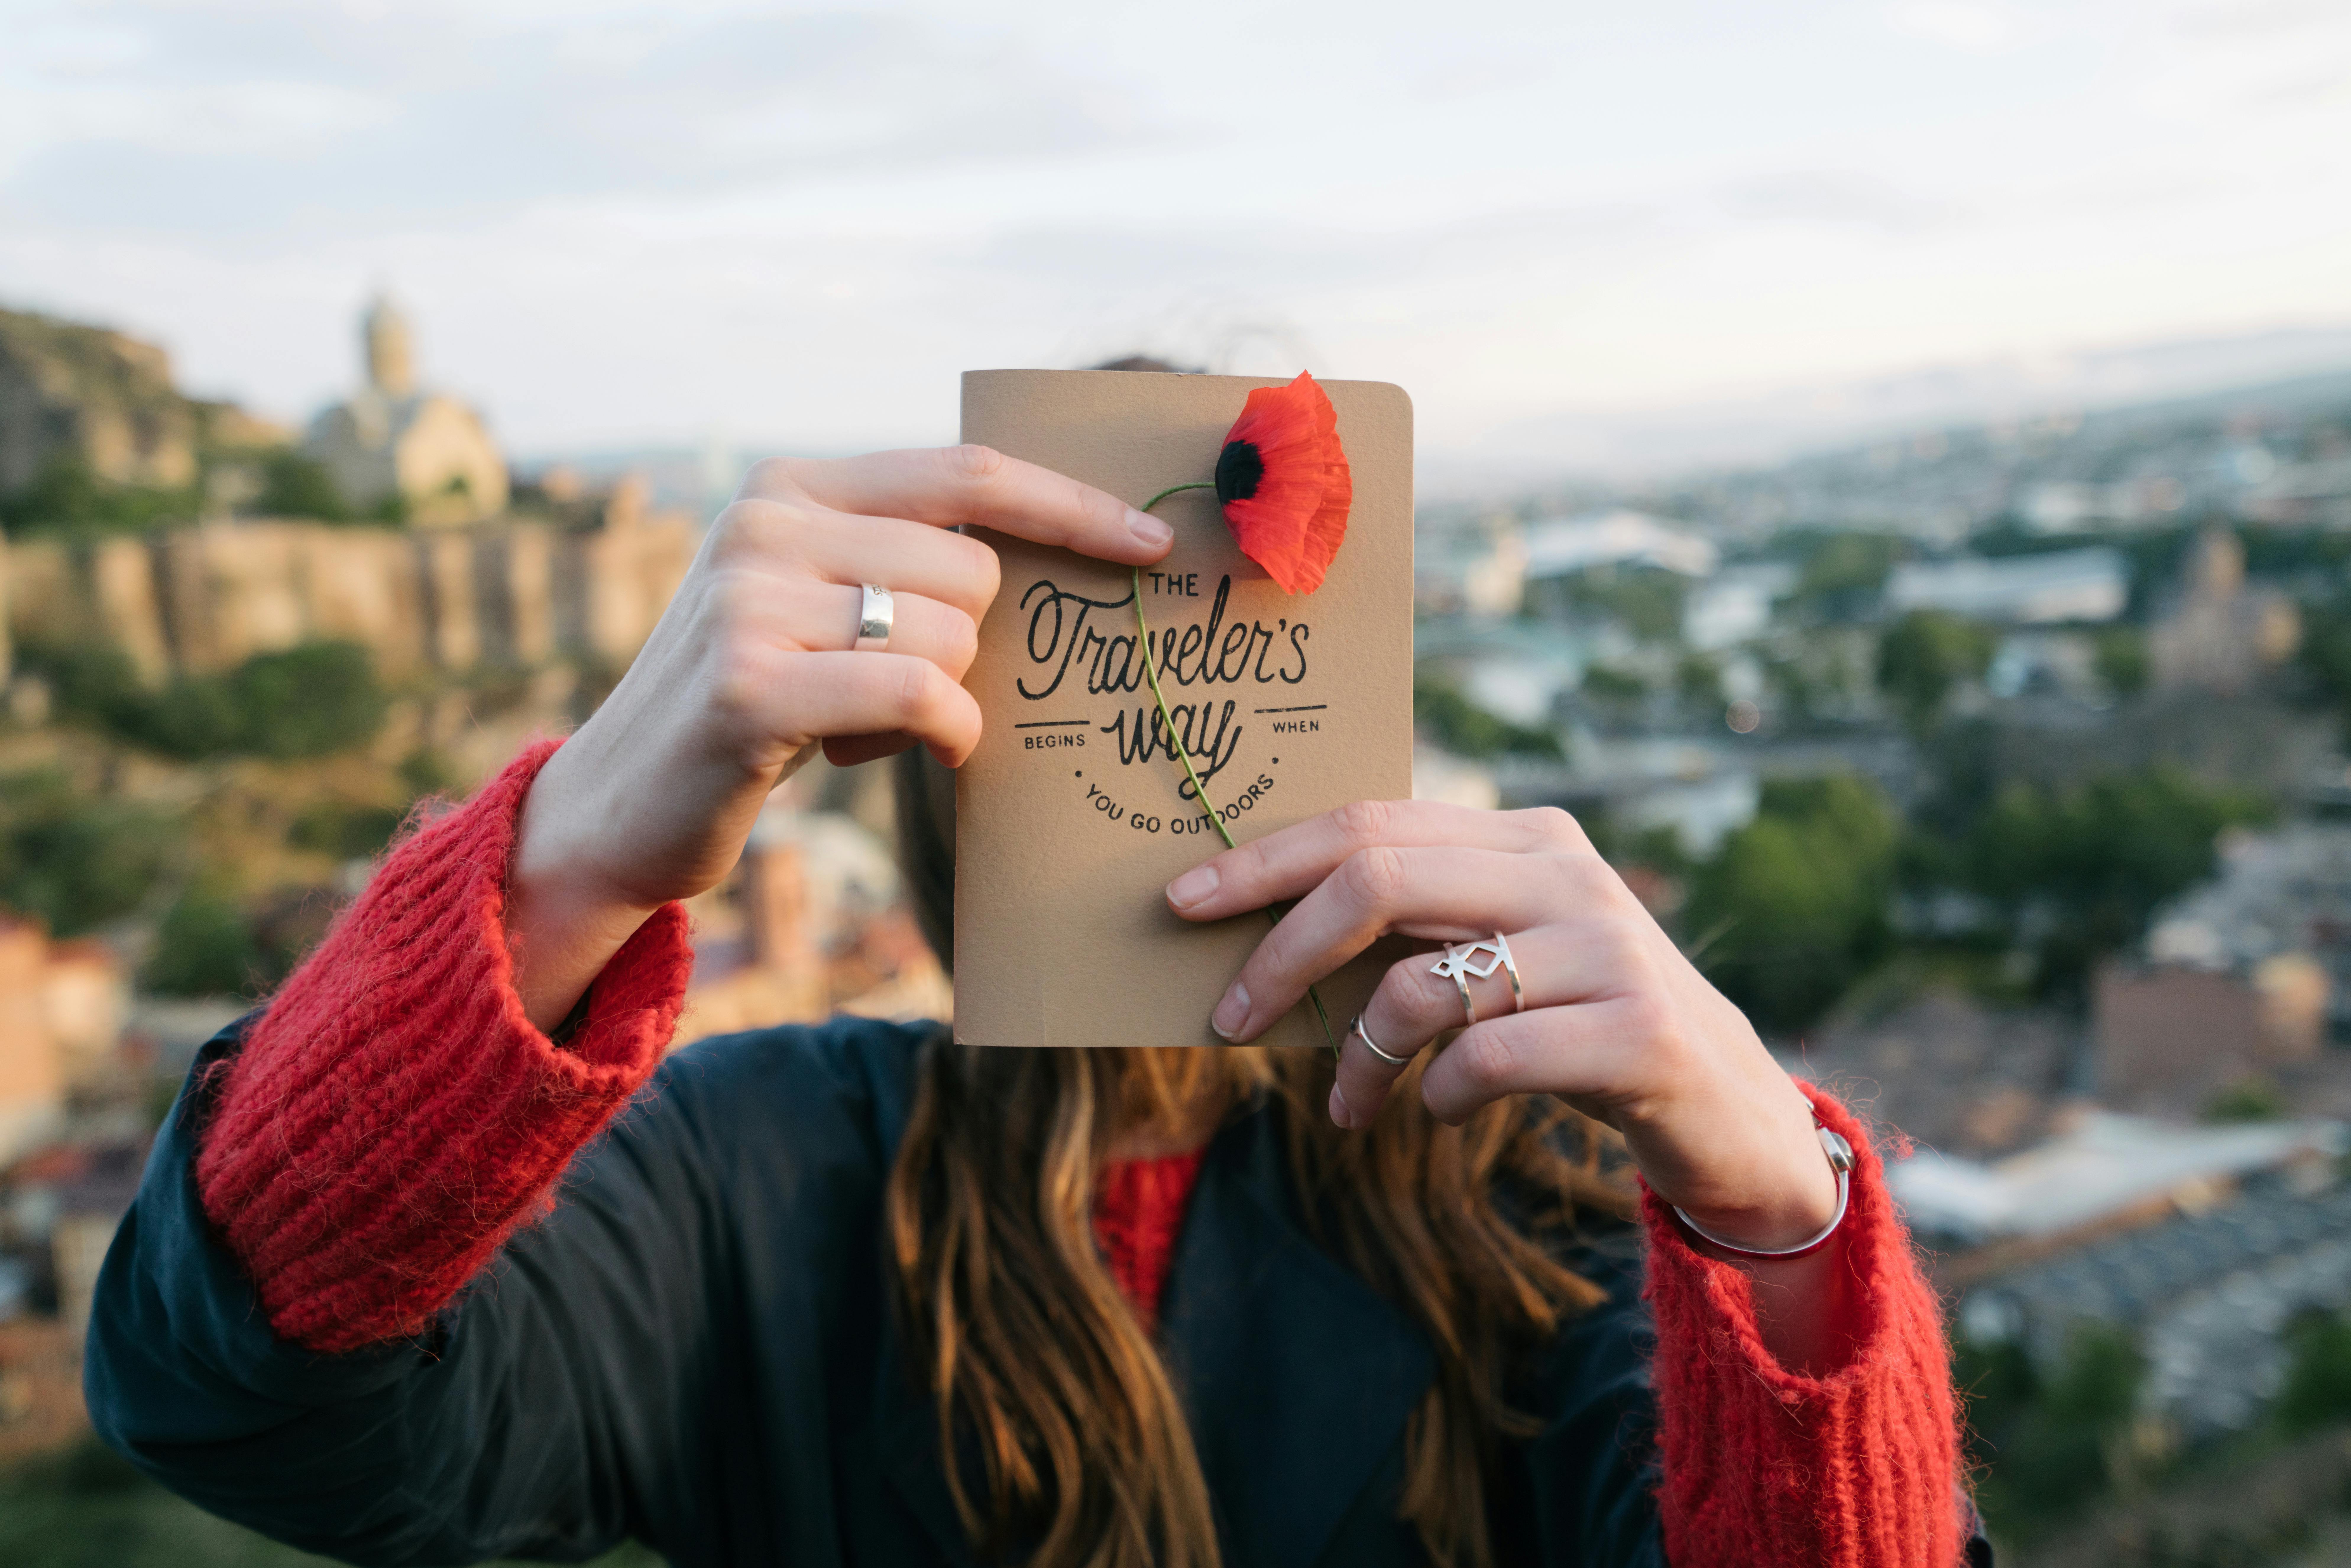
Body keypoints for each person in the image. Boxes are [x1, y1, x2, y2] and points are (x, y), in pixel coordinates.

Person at [86, 446, 1984, 1568]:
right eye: (1069, 694)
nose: (1157, 777)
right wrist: (567, 857)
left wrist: (1774, 1216)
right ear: (922, 769)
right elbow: (238, 1391)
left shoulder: (1543, 1204)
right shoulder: (757, 1173)